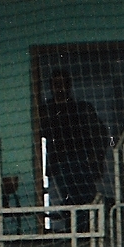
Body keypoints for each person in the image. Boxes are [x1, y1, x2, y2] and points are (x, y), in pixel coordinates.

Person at [37, 70, 111, 206]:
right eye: (55, 84)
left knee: (84, 198)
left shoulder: (81, 108)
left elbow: (101, 133)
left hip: (81, 161)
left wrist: (95, 156)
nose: (59, 87)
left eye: (62, 83)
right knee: (72, 199)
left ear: (68, 86)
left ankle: (101, 208)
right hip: (59, 161)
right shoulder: (45, 110)